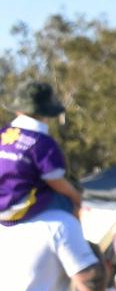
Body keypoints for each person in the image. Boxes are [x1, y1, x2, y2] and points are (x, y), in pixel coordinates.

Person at [0, 83, 82, 225]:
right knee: (66, 201)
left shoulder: (3, 133)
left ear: (18, 111)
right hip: (18, 208)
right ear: (47, 113)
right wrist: (77, 198)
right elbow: (56, 181)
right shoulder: (43, 143)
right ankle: (75, 236)